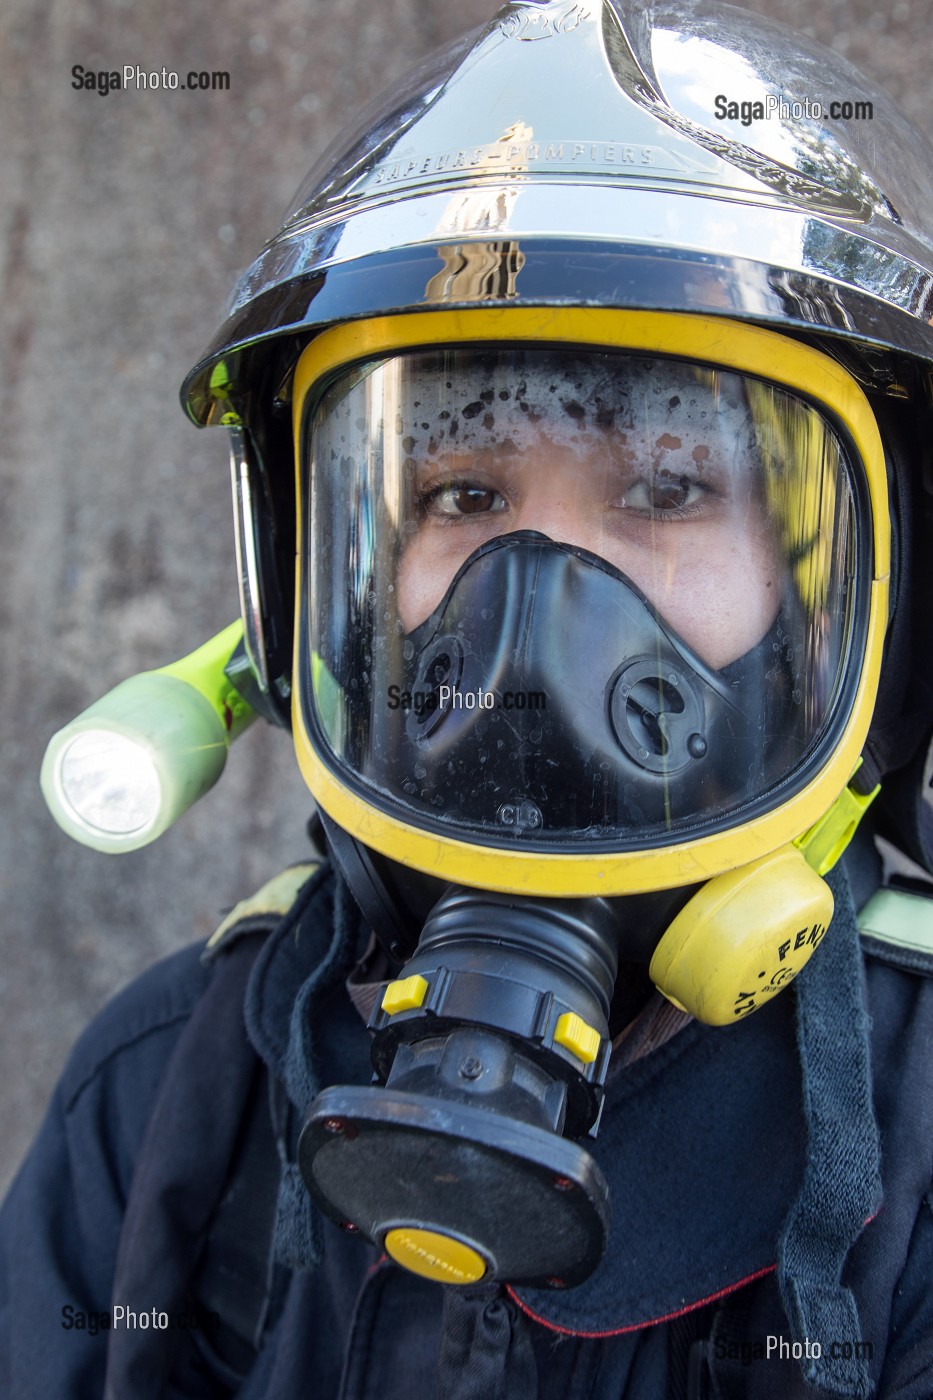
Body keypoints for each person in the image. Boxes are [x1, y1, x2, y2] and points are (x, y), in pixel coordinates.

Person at [4, 0, 933, 1395]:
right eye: (461, 493)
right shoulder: (170, 1086)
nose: (540, 601)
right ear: (310, 582)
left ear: (861, 585)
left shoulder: (913, 1119)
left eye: (665, 488)